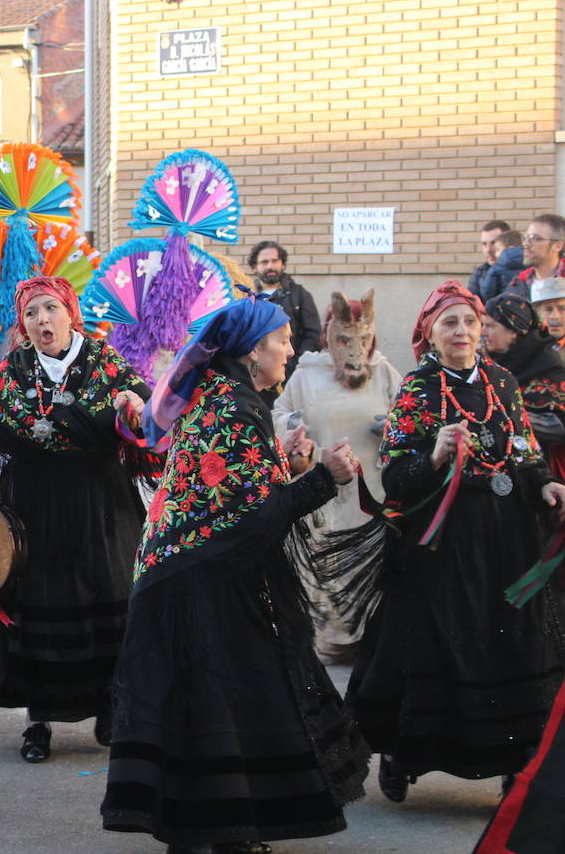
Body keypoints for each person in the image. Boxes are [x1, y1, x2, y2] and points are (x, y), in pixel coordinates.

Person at [101, 295, 368, 853]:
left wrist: (285, 463)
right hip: (196, 585)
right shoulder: (233, 407)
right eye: (284, 340)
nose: (292, 350)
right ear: (252, 350)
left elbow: (243, 494)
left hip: (195, 577)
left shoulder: (225, 397)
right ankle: (214, 832)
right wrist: (325, 477)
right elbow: (253, 519)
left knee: (216, 703)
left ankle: (217, 829)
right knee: (218, 701)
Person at [334, 281, 565, 803]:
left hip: (507, 539)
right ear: (430, 334)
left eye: (469, 322)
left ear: (481, 330)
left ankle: (513, 755)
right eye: (449, 323)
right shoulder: (418, 389)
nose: (461, 332)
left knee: (509, 640)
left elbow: (524, 456)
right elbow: (396, 476)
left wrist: (544, 483)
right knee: (434, 642)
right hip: (444, 544)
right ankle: (403, 754)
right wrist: (435, 456)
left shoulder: (504, 383)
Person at [0, 276, 155, 763]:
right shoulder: (12, 371)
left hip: (101, 506)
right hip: (33, 509)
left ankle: (110, 707)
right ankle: (37, 721)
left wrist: (135, 415)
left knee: (109, 600)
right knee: (36, 608)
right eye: (31, 313)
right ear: (22, 323)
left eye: (50, 309)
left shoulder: (107, 364)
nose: (42, 320)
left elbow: (147, 424)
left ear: (69, 311)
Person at [273, 290, 401, 663]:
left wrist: (393, 426)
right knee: (326, 565)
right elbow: (280, 413)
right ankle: (330, 642)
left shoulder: (384, 372)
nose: (355, 349)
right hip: (325, 492)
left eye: (363, 339)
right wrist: (291, 425)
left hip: (370, 491)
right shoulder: (306, 374)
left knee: (367, 562)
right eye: (346, 340)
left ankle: (367, 639)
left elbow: (408, 414)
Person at [482, 293, 565, 484]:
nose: (483, 332)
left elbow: (559, 426)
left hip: (543, 475)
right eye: (483, 325)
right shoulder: (491, 365)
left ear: (514, 331)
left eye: (491, 326)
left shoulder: (548, 367)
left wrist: (505, 415)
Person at [248, 240, 319, 391]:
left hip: (292, 378)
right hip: (256, 377)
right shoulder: (247, 298)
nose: (270, 266)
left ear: (283, 264)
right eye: (264, 262)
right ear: (254, 267)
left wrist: (296, 364)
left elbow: (313, 334)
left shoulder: (300, 295)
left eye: (275, 261)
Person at [505, 214, 565, 300]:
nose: (525, 243)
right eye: (526, 238)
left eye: (535, 238)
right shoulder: (519, 285)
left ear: (557, 246)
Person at [469, 220, 511, 301]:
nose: (488, 250)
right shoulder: (479, 272)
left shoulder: (524, 271)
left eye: (493, 243)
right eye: (484, 244)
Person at [483, 230, 524, 303]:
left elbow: (487, 291)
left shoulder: (496, 268)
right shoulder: (531, 263)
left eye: (498, 250)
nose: (496, 254)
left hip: (504, 305)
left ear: (510, 248)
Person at [531, 276, 565, 348]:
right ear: (538, 312)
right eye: (548, 309)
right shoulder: (532, 347)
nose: (554, 316)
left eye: (562, 308)